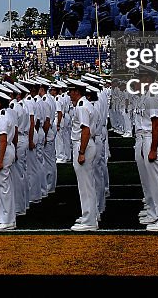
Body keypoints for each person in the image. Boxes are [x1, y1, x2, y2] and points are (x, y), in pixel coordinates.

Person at [133, 68, 158, 231]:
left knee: (157, 182)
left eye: (142, 77)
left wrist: (153, 149)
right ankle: (153, 212)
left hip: (151, 138)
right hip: (143, 138)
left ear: (149, 78)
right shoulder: (145, 95)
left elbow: (156, 124)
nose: (139, 80)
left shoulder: (152, 96)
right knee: (147, 181)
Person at [69, 81, 98, 231]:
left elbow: (85, 131)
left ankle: (89, 220)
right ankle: (90, 215)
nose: (69, 94)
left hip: (83, 146)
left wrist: (81, 152)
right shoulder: (85, 104)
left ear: (77, 92)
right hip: (86, 145)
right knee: (87, 184)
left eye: (71, 91)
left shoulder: (81, 107)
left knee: (85, 185)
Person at [0, 89, 15, 230]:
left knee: (3, 186)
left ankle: (7, 220)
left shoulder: (2, 116)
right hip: (4, 150)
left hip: (2, 151)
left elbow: (3, 139)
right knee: (3, 186)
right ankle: (4, 216)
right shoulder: (4, 114)